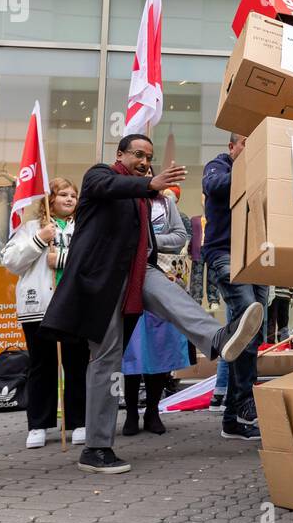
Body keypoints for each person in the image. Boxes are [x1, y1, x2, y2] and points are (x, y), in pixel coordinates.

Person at [41, 134, 265, 474]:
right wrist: (150, 184)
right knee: (107, 361)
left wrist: (152, 201)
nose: (145, 161)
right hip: (101, 281)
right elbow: (111, 187)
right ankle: (97, 449)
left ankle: (217, 338)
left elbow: (153, 236)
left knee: (170, 292)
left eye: (149, 156)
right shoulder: (99, 176)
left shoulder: (146, 199)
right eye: (138, 155)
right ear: (120, 155)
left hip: (136, 271)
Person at [1, 177, 86, 450]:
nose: (70, 199)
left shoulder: (84, 228)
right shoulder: (31, 228)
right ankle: (38, 424)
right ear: (50, 200)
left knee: (76, 365)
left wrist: (60, 258)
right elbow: (11, 262)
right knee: (42, 365)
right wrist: (40, 240)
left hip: (74, 306)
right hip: (39, 307)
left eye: (73, 195)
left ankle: (78, 421)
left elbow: (92, 260)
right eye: (63, 194)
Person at [201, 133, 269, 418]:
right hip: (225, 255)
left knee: (251, 332)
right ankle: (243, 407)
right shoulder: (217, 167)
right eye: (245, 143)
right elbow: (214, 186)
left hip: (257, 258)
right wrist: (253, 170)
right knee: (247, 318)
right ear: (232, 148)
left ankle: (234, 415)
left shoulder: (262, 174)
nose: (251, 149)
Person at [122, 184, 193, 437]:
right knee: (131, 350)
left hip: (163, 279)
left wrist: (146, 238)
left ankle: (153, 410)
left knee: (161, 347)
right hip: (128, 283)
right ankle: (131, 412)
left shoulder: (164, 203)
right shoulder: (121, 200)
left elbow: (180, 236)